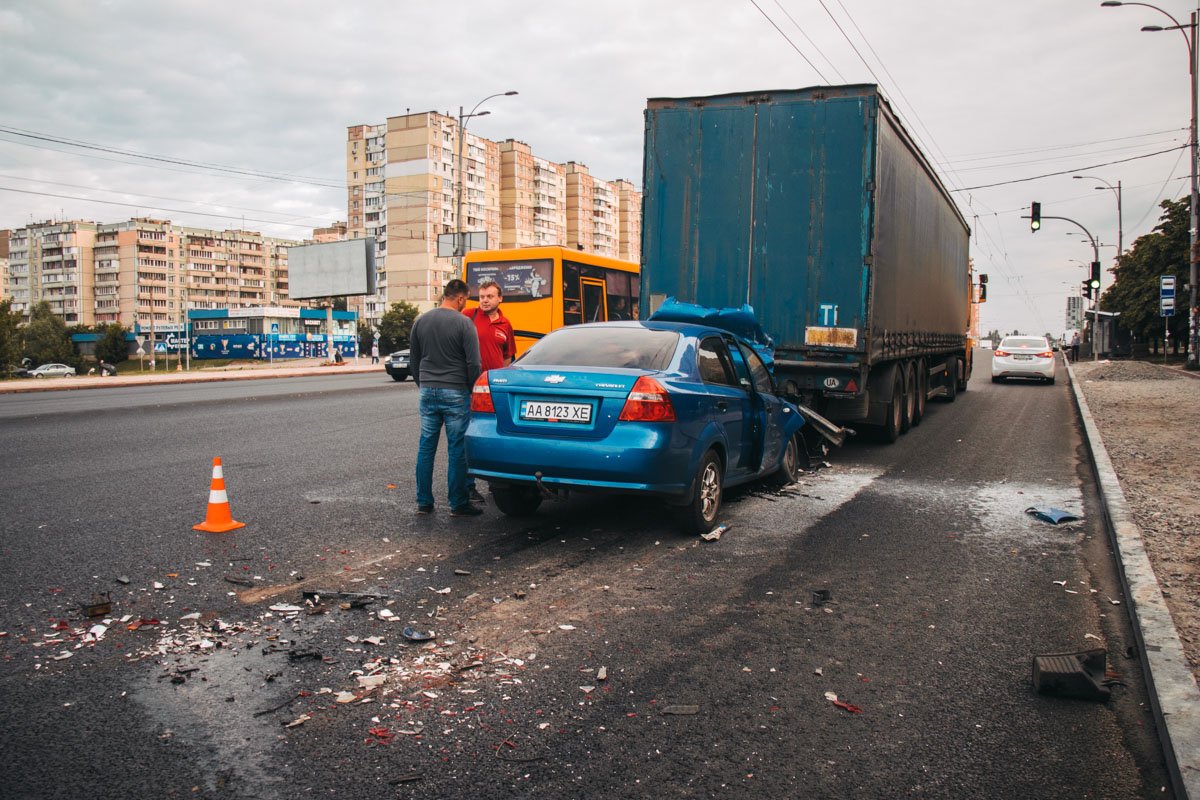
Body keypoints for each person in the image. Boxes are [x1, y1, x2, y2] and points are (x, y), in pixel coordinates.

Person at [409, 279, 483, 516]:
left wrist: (424, 385)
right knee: (457, 449)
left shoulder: (421, 321)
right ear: (460, 298)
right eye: (466, 300)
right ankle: (458, 503)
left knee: (426, 447)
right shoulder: (464, 323)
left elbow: (414, 360)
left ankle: (423, 502)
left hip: (428, 390)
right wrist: (470, 388)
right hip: (455, 391)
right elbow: (474, 362)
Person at [464, 277, 516, 503]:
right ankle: (468, 486)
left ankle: (499, 483)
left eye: (489, 297)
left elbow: (507, 357)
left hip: (494, 390)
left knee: (496, 436)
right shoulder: (469, 315)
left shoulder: (505, 324)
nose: (484, 301)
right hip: (470, 388)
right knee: (469, 437)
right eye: (481, 297)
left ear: (499, 298)